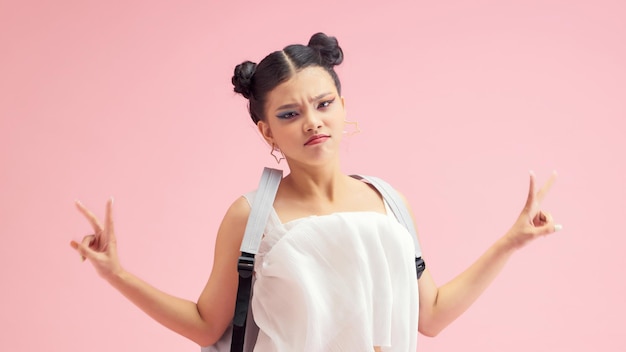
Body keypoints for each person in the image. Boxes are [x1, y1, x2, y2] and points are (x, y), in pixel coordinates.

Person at [70, 32, 562, 351]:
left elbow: (429, 316)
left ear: (343, 107)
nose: (312, 122)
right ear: (266, 131)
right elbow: (205, 325)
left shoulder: (389, 201)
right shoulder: (252, 216)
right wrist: (116, 274)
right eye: (288, 114)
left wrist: (510, 243)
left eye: (323, 103)